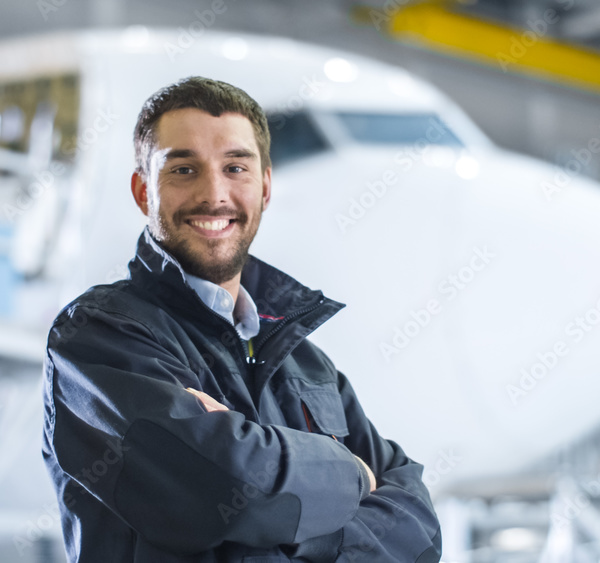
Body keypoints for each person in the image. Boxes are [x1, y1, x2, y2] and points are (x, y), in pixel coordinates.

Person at [41, 76, 442, 562]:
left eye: (235, 167)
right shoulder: (99, 336)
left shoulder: (308, 364)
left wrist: (305, 527)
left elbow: (419, 530)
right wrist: (353, 473)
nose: (214, 194)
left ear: (265, 188)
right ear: (143, 191)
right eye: (184, 169)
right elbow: (224, 496)